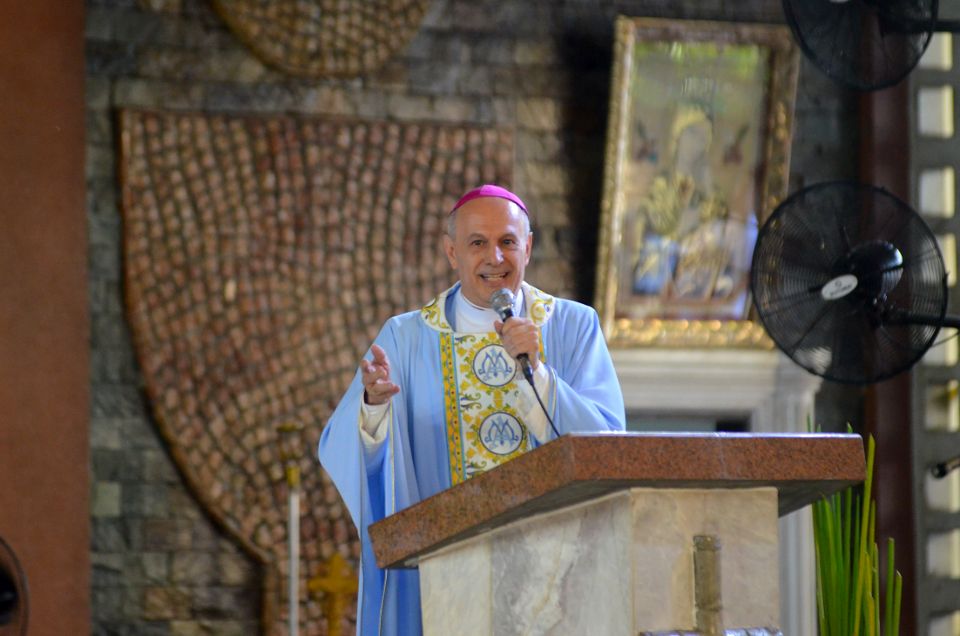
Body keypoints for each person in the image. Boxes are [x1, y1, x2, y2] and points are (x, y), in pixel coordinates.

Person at [318, 184, 626, 635]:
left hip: (556, 578)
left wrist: (538, 372)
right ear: (451, 253)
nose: (494, 258)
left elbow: (609, 448)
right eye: (477, 243)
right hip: (447, 577)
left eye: (507, 242)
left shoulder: (572, 325)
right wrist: (374, 409)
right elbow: (347, 448)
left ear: (529, 247)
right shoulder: (405, 338)